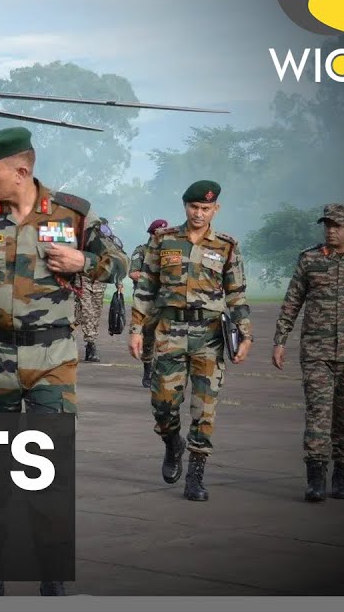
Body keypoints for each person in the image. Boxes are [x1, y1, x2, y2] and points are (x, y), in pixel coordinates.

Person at [0, 127, 128, 596]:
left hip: (52, 359)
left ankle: (51, 574)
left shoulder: (72, 213)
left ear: (21, 171)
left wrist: (85, 262)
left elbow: (122, 263)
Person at [128, 181, 251, 503]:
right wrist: (136, 329)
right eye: (194, 207)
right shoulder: (164, 239)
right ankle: (172, 443)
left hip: (209, 336)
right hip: (170, 332)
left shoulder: (226, 245)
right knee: (163, 405)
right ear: (185, 206)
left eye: (205, 209)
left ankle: (196, 476)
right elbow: (146, 286)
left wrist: (245, 333)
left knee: (204, 408)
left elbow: (237, 294)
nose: (199, 214)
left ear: (215, 209)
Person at [272, 203, 344, 503]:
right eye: (327, 225)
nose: (331, 231)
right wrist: (280, 340)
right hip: (317, 353)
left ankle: (342, 478)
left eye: (337, 226)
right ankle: (315, 481)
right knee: (318, 416)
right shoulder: (310, 259)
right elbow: (292, 302)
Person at [129, 219, 169, 388]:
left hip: (166, 300)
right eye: (158, 233)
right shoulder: (142, 250)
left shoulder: (170, 252)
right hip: (147, 300)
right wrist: (151, 277)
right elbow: (133, 273)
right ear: (152, 234)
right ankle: (148, 369)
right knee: (148, 336)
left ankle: (163, 372)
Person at [75, 261, 107, 362]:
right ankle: (91, 344)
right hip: (83, 281)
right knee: (87, 312)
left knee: (95, 314)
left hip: (99, 282)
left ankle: (90, 345)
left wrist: (118, 282)